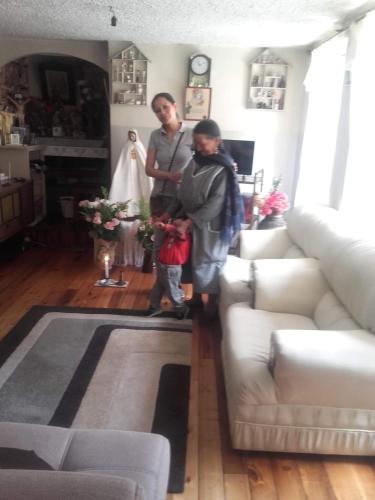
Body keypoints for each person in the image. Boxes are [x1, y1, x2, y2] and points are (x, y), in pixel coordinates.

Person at [159, 119, 243, 317]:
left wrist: (189, 222)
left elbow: (216, 203)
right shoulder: (194, 161)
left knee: (208, 262)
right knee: (191, 261)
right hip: (191, 223)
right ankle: (196, 297)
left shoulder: (224, 169)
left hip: (210, 225)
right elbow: (182, 192)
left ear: (217, 141)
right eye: (195, 143)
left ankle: (211, 305)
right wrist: (168, 213)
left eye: (202, 144)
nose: (198, 148)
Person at [145, 93, 193, 258]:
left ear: (174, 106)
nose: (162, 112)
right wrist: (169, 175)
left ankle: (173, 283)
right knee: (158, 244)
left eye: (165, 107)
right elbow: (149, 170)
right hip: (160, 196)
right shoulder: (155, 136)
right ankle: (161, 283)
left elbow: (202, 162)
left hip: (182, 199)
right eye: (157, 110)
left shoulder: (191, 134)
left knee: (177, 244)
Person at [109, 129, 153, 266]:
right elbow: (121, 168)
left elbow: (146, 168)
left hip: (139, 178)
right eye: (130, 135)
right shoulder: (125, 148)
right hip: (127, 177)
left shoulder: (140, 147)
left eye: (134, 135)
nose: (132, 137)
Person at [148, 221, 191, 319]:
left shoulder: (183, 238)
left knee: (172, 290)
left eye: (176, 225)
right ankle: (154, 306)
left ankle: (181, 308)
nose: (174, 227)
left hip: (172, 269)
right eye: (173, 225)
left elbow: (179, 231)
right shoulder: (170, 236)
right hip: (163, 267)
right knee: (157, 289)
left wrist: (166, 226)